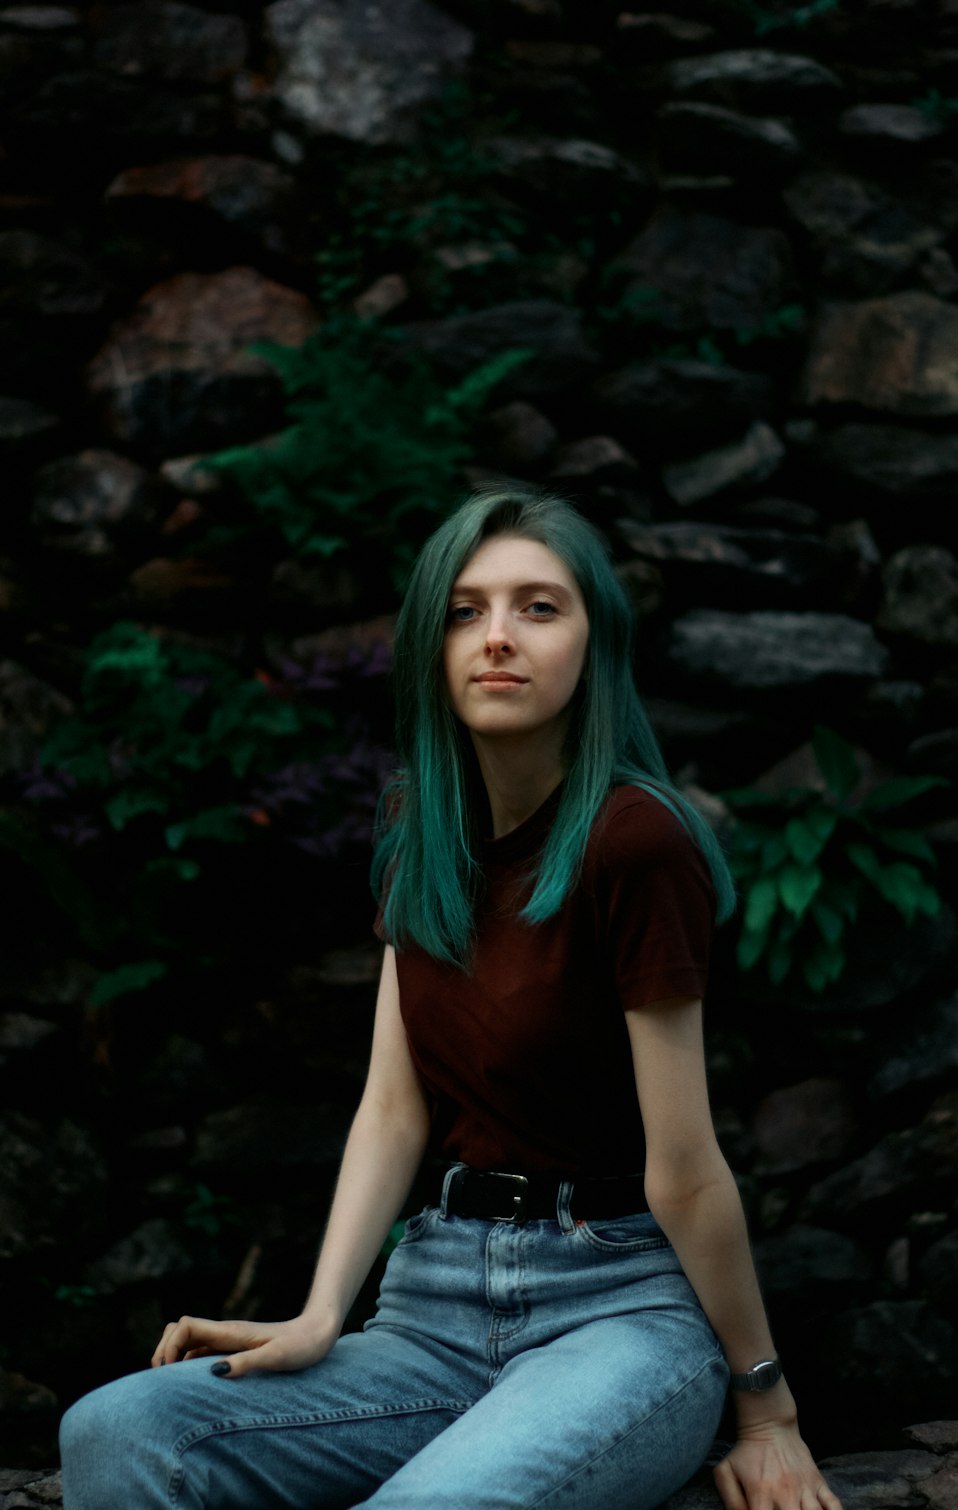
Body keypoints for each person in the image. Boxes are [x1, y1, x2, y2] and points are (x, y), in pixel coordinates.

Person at [60, 487, 842, 1510]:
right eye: (466, 610)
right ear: (431, 642)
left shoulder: (636, 842)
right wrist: (319, 1311)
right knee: (118, 1432)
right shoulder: (418, 825)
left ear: (592, 644)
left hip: (613, 1314)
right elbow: (395, 1104)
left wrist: (764, 1405)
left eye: (538, 607)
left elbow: (685, 1166)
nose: (498, 638)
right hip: (430, 1307)